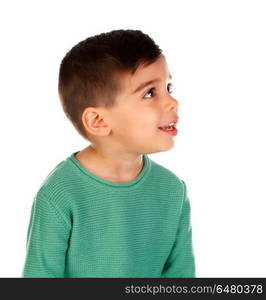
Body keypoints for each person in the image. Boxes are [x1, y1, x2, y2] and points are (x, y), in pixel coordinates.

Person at [22, 29, 196, 278]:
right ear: (98, 121)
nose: (172, 102)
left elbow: (181, 276)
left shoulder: (172, 190)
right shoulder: (60, 194)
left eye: (169, 87)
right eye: (150, 93)